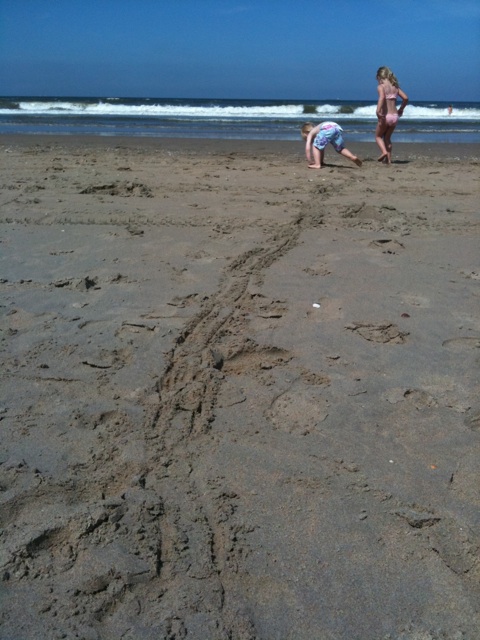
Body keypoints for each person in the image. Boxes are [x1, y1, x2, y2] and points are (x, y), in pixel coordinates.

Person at [375, 66, 408, 164]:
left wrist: (378, 111)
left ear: (379, 77)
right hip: (394, 116)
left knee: (378, 136)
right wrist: (401, 109)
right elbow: (405, 98)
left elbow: (382, 98)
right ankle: (388, 160)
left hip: (386, 116)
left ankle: (384, 152)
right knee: (387, 138)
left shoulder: (381, 87)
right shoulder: (395, 87)